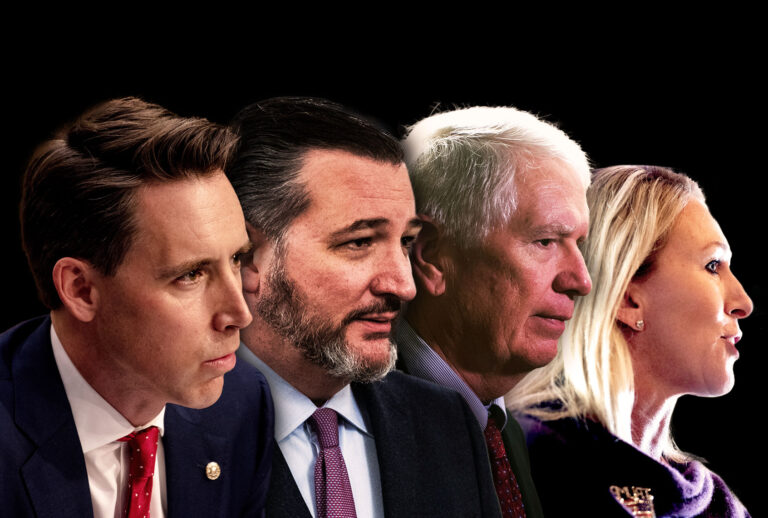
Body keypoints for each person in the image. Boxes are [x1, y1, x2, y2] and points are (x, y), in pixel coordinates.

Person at [228, 97, 501, 518]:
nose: (404, 285)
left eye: (405, 242)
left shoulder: (447, 423)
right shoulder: (167, 434)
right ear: (246, 255)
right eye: (359, 242)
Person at [1, 97, 274, 517]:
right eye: (191, 275)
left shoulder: (242, 406)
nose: (240, 314)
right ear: (81, 290)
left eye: (236, 259)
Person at [509, 165, 753, 517]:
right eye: (713, 265)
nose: (744, 302)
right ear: (626, 297)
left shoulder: (717, 505)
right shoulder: (523, 460)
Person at [396, 106, 593, 518]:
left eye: (579, 244)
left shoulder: (502, 432)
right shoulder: (356, 428)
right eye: (545, 241)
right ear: (432, 256)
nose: (580, 281)